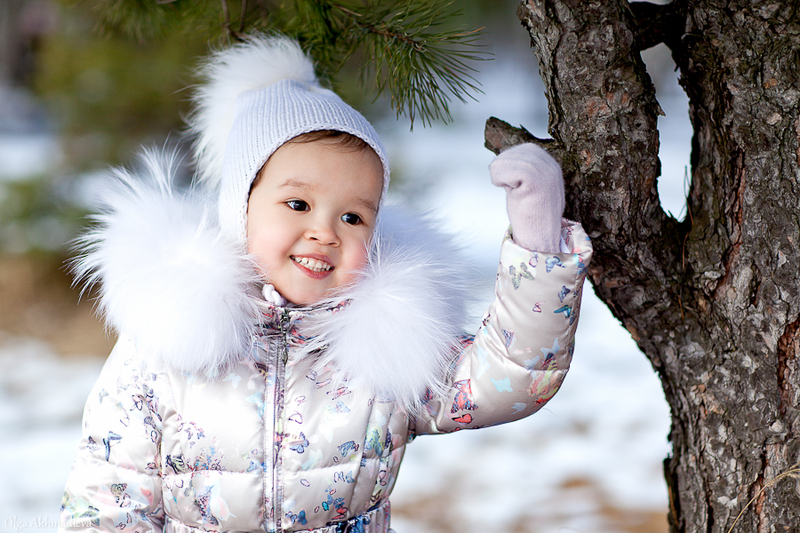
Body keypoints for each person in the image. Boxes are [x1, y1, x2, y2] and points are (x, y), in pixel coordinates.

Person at [59, 35, 592, 533]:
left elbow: (509, 378)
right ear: (239, 208)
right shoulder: (166, 337)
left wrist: (538, 243)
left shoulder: (385, 346)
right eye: (298, 204)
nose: (325, 232)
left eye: (353, 218)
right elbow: (109, 493)